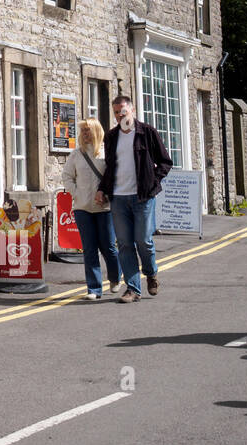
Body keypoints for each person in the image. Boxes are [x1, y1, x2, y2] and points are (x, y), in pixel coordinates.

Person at [96, 95, 172, 302]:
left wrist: (152, 183)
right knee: (125, 244)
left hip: (143, 198)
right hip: (119, 198)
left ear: (132, 110)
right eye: (116, 112)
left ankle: (151, 272)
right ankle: (132, 289)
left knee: (143, 241)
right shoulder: (111, 137)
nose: (120, 115)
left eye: (123, 111)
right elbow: (110, 168)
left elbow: (165, 162)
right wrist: (102, 189)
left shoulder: (147, 132)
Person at [62, 117, 121, 299]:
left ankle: (115, 277)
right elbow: (66, 176)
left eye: (88, 130)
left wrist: (107, 195)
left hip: (104, 208)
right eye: (83, 130)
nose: (85, 134)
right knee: (89, 249)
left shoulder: (106, 153)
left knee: (109, 247)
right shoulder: (76, 154)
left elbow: (114, 177)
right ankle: (94, 289)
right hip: (82, 208)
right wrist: (77, 193)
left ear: (96, 131)